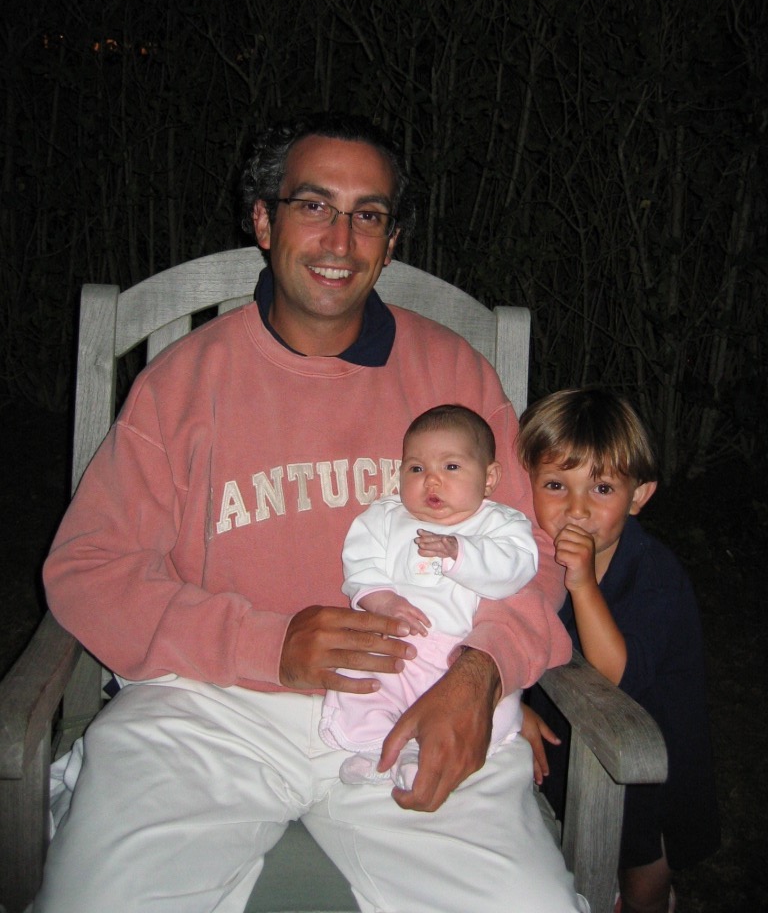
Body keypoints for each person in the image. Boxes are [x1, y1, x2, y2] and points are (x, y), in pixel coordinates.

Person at [35, 113, 585, 913]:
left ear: (392, 240)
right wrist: (267, 644)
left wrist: (483, 674)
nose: (341, 239)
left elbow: (531, 552)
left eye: (369, 215)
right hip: (208, 703)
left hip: (418, 697)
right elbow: (87, 571)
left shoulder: (451, 373)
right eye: (314, 206)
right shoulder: (186, 383)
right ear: (263, 219)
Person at [517, 387, 720, 913]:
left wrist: (583, 584)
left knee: (641, 861)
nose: (576, 509)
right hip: (575, 739)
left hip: (647, 747)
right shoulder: (530, 555)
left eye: (602, 488)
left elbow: (613, 677)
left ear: (639, 496)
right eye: (556, 484)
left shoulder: (654, 578)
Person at [320, 404, 539, 789]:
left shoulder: (498, 524)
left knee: (500, 709)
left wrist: (461, 553)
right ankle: (379, 750)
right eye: (416, 469)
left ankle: (426, 759)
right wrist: (380, 598)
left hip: (455, 657)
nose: (431, 481)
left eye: (451, 467)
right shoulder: (386, 517)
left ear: (489, 478)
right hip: (393, 645)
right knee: (358, 684)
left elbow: (516, 569)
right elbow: (360, 560)